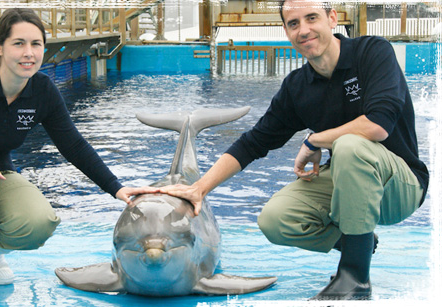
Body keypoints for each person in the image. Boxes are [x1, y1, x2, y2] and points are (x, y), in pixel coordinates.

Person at [160, 0, 429, 300]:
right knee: (275, 219)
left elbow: (378, 125)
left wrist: (315, 140)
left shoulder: (372, 53)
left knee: (350, 145)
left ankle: (354, 278)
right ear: (287, 32)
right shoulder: (298, 87)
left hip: (400, 186)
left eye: (311, 18)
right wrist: (199, 189)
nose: (304, 30)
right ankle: (359, 240)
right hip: (352, 184)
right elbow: (254, 142)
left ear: (332, 19)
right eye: (293, 23)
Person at [0, 8, 156, 307]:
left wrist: (116, 187)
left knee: (38, 223)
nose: (29, 53)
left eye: (36, 44)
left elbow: (72, 145)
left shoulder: (42, 90)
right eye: (18, 43)